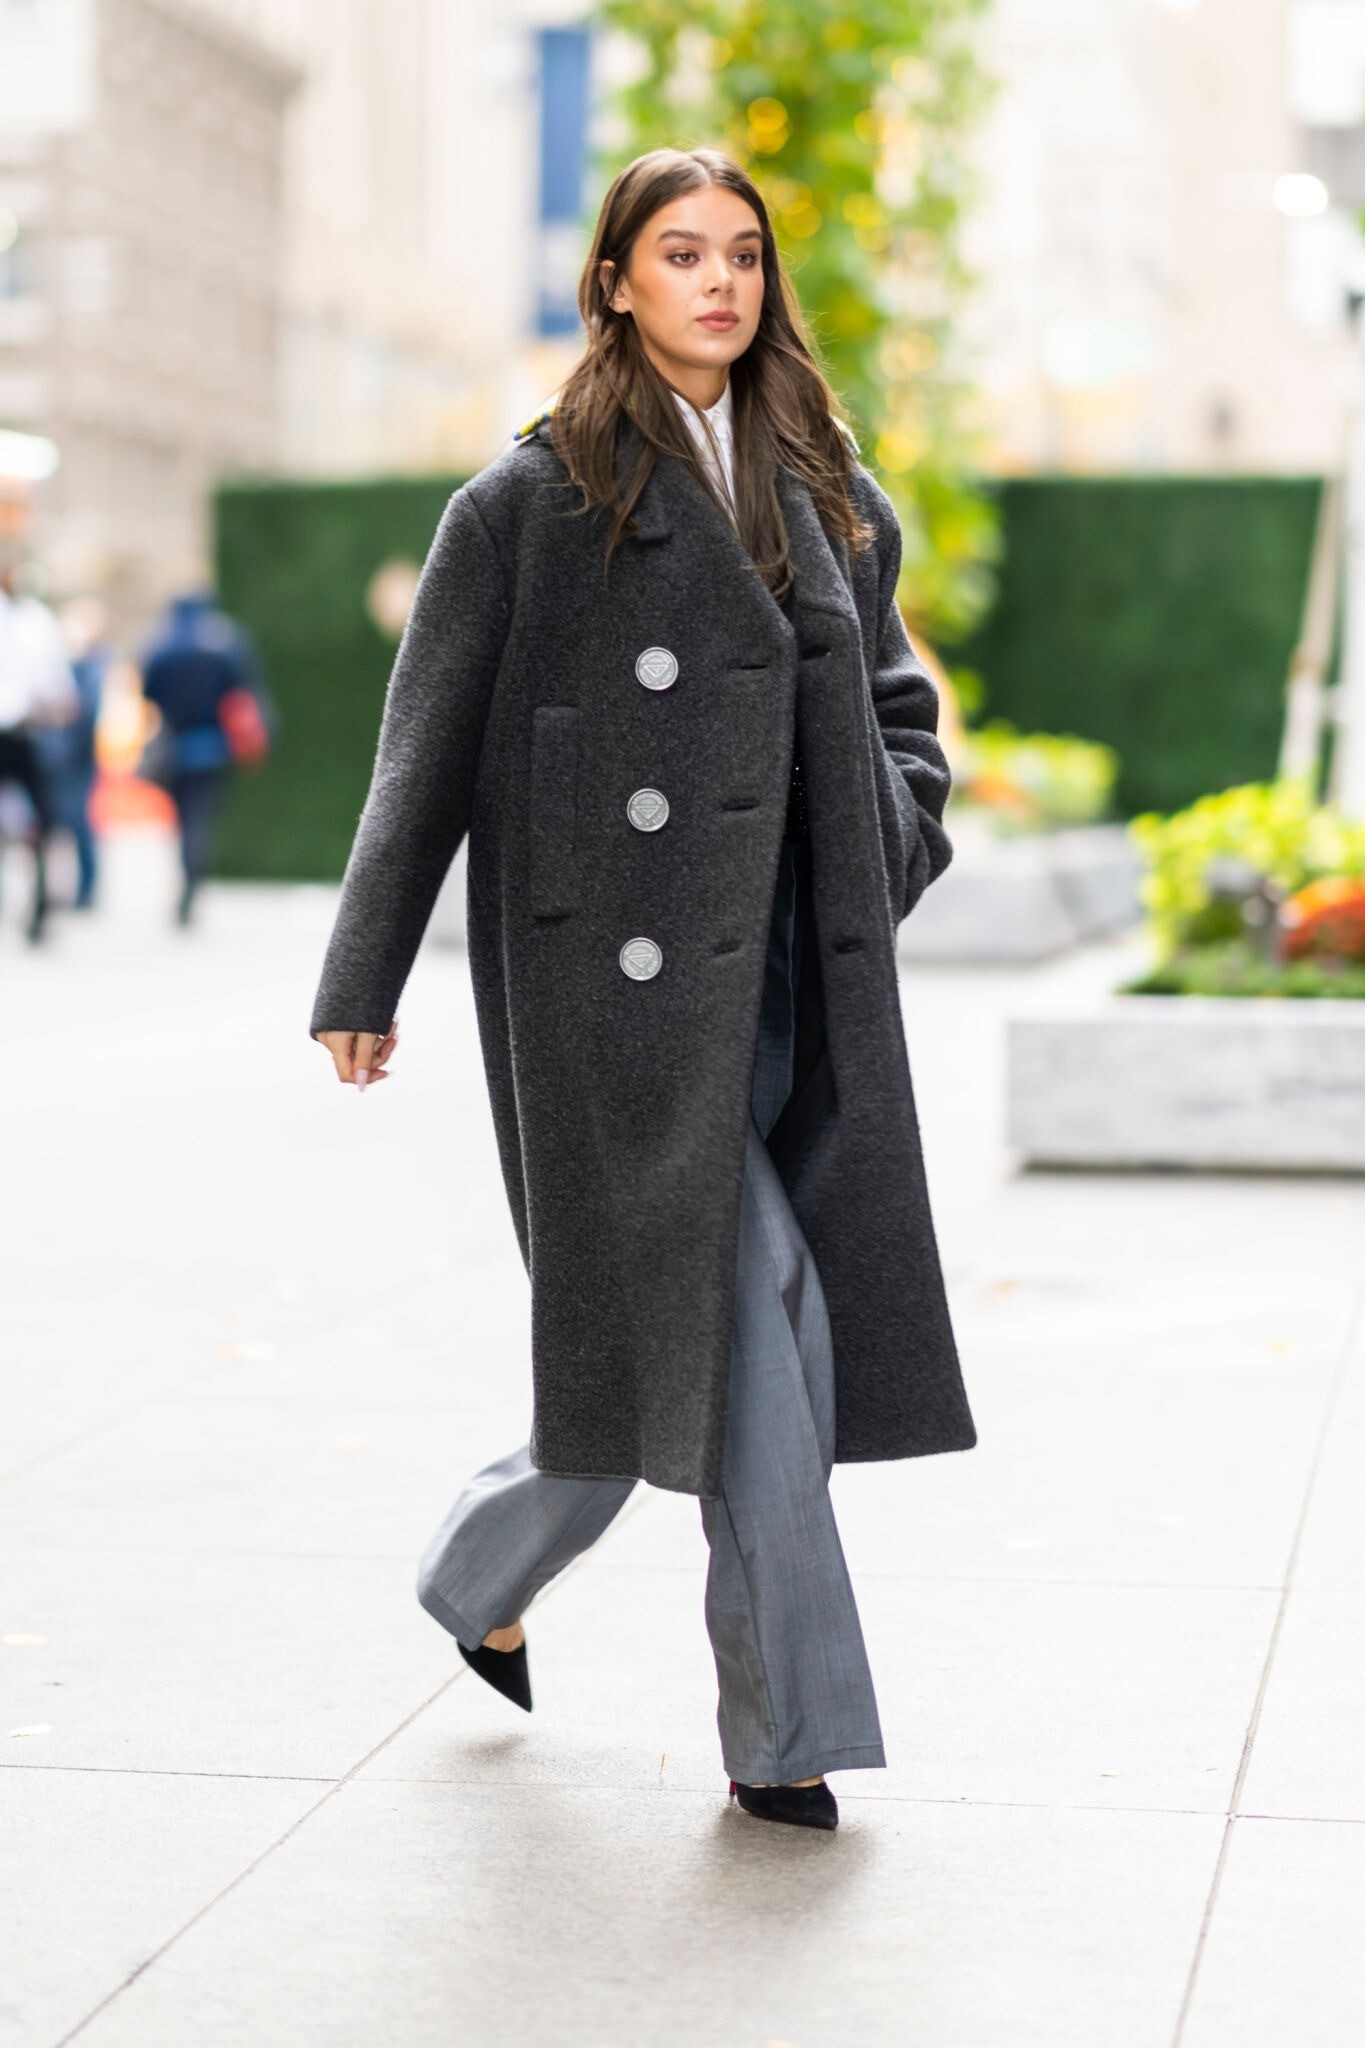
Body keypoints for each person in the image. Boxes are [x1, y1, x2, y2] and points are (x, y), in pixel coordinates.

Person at [309, 147, 977, 1834]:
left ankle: (477, 1573)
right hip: (614, 997)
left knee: (650, 1358)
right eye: (681, 253)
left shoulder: (829, 488)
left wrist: (893, 829)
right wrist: (363, 971)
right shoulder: (526, 505)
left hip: (800, 981)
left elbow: (901, 714)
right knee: (757, 1329)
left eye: (741, 253)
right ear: (613, 282)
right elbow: (419, 759)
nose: (719, 281)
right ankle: (788, 1731)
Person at [140, 587, 271, 926]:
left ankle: (188, 882)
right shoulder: (226, 643)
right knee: (200, 819)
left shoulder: (163, 646)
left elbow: (148, 690)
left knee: (184, 820)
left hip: (175, 750)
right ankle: (192, 882)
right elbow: (246, 688)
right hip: (213, 748)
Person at [0, 556, 79, 944]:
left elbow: (57, 683)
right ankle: (37, 906)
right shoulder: (36, 621)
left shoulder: (36, 620)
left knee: (42, 824)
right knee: (40, 822)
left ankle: (40, 905)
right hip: (23, 730)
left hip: (26, 733)